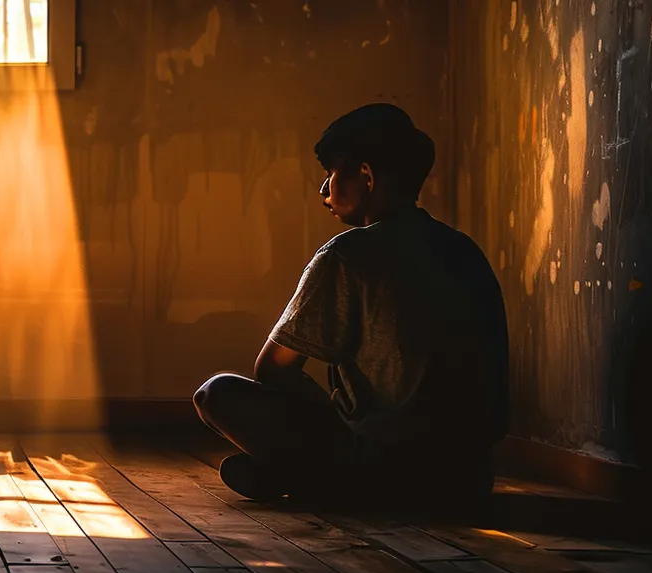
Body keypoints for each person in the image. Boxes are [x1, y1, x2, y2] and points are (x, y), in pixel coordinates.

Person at [193, 103, 509, 511]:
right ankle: (308, 477)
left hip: (380, 466)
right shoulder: (464, 250)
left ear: (367, 175)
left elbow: (271, 368)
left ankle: (310, 478)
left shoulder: (347, 255)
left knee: (214, 393)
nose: (324, 190)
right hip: (467, 478)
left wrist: (325, 423)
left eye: (331, 174)